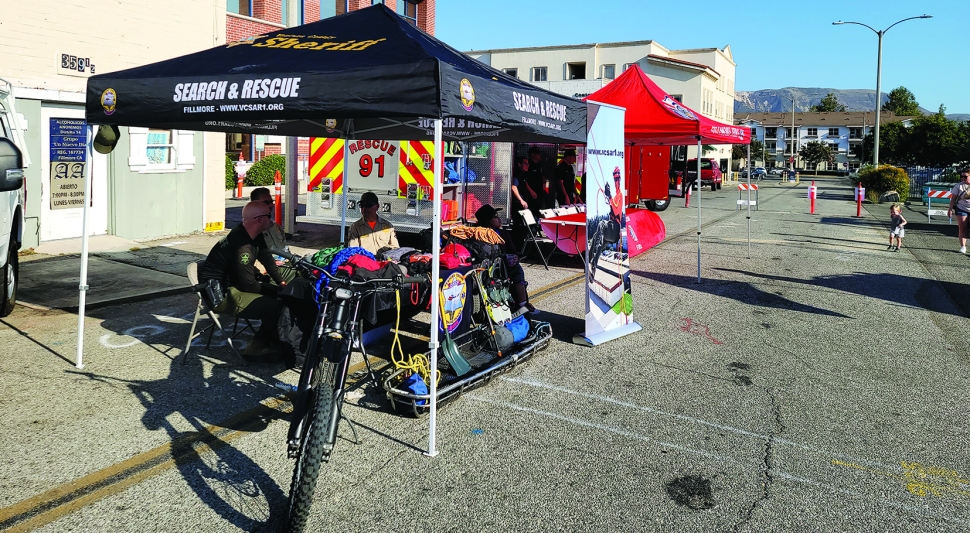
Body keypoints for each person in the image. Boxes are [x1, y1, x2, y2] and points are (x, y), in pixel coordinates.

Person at [198, 201, 284, 361]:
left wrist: (280, 282)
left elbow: (266, 258)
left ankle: (273, 339)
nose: (271, 220)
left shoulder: (252, 234)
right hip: (221, 295)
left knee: (279, 293)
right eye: (269, 215)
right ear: (259, 219)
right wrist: (275, 291)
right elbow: (249, 285)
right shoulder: (242, 247)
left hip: (233, 284)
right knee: (274, 305)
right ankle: (256, 348)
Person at [474, 203, 539, 315]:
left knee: (516, 267)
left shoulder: (503, 233)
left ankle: (522, 303)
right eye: (495, 217)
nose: (499, 219)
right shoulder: (479, 234)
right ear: (487, 220)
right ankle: (522, 305)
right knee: (516, 270)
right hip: (487, 267)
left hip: (503, 264)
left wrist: (515, 256)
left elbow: (513, 250)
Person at [250, 187, 296, 282]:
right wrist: (267, 267)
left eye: (271, 202)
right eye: (266, 203)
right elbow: (245, 261)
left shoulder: (276, 227)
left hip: (286, 266)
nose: (271, 205)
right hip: (267, 273)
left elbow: (285, 249)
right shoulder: (249, 230)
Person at [347, 191, 399, 255]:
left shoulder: (388, 226)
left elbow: (395, 249)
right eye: (362, 205)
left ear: (377, 206)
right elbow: (353, 251)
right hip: (365, 263)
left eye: (368, 205)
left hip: (383, 262)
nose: (364, 209)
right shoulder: (355, 227)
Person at [947, 169, 970, 254]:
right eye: (962, 176)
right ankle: (963, 246)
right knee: (963, 227)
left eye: (965, 176)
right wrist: (950, 209)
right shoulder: (958, 186)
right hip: (961, 208)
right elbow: (953, 199)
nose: (963, 178)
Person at [524, 145, 550, 217]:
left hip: (540, 193)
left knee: (539, 211)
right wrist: (531, 191)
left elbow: (543, 177)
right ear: (533, 154)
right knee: (531, 211)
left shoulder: (540, 165)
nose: (540, 155)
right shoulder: (528, 164)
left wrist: (545, 188)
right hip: (530, 194)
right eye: (538, 154)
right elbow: (524, 180)